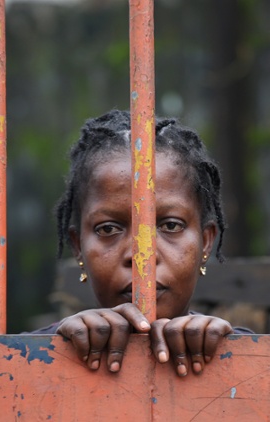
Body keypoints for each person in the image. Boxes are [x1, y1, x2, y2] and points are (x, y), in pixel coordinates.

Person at [33, 109, 252, 377]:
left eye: (171, 226)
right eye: (108, 228)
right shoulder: (25, 356)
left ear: (206, 242)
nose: (141, 256)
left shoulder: (254, 355)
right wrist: (56, 347)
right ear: (78, 246)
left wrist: (227, 347)